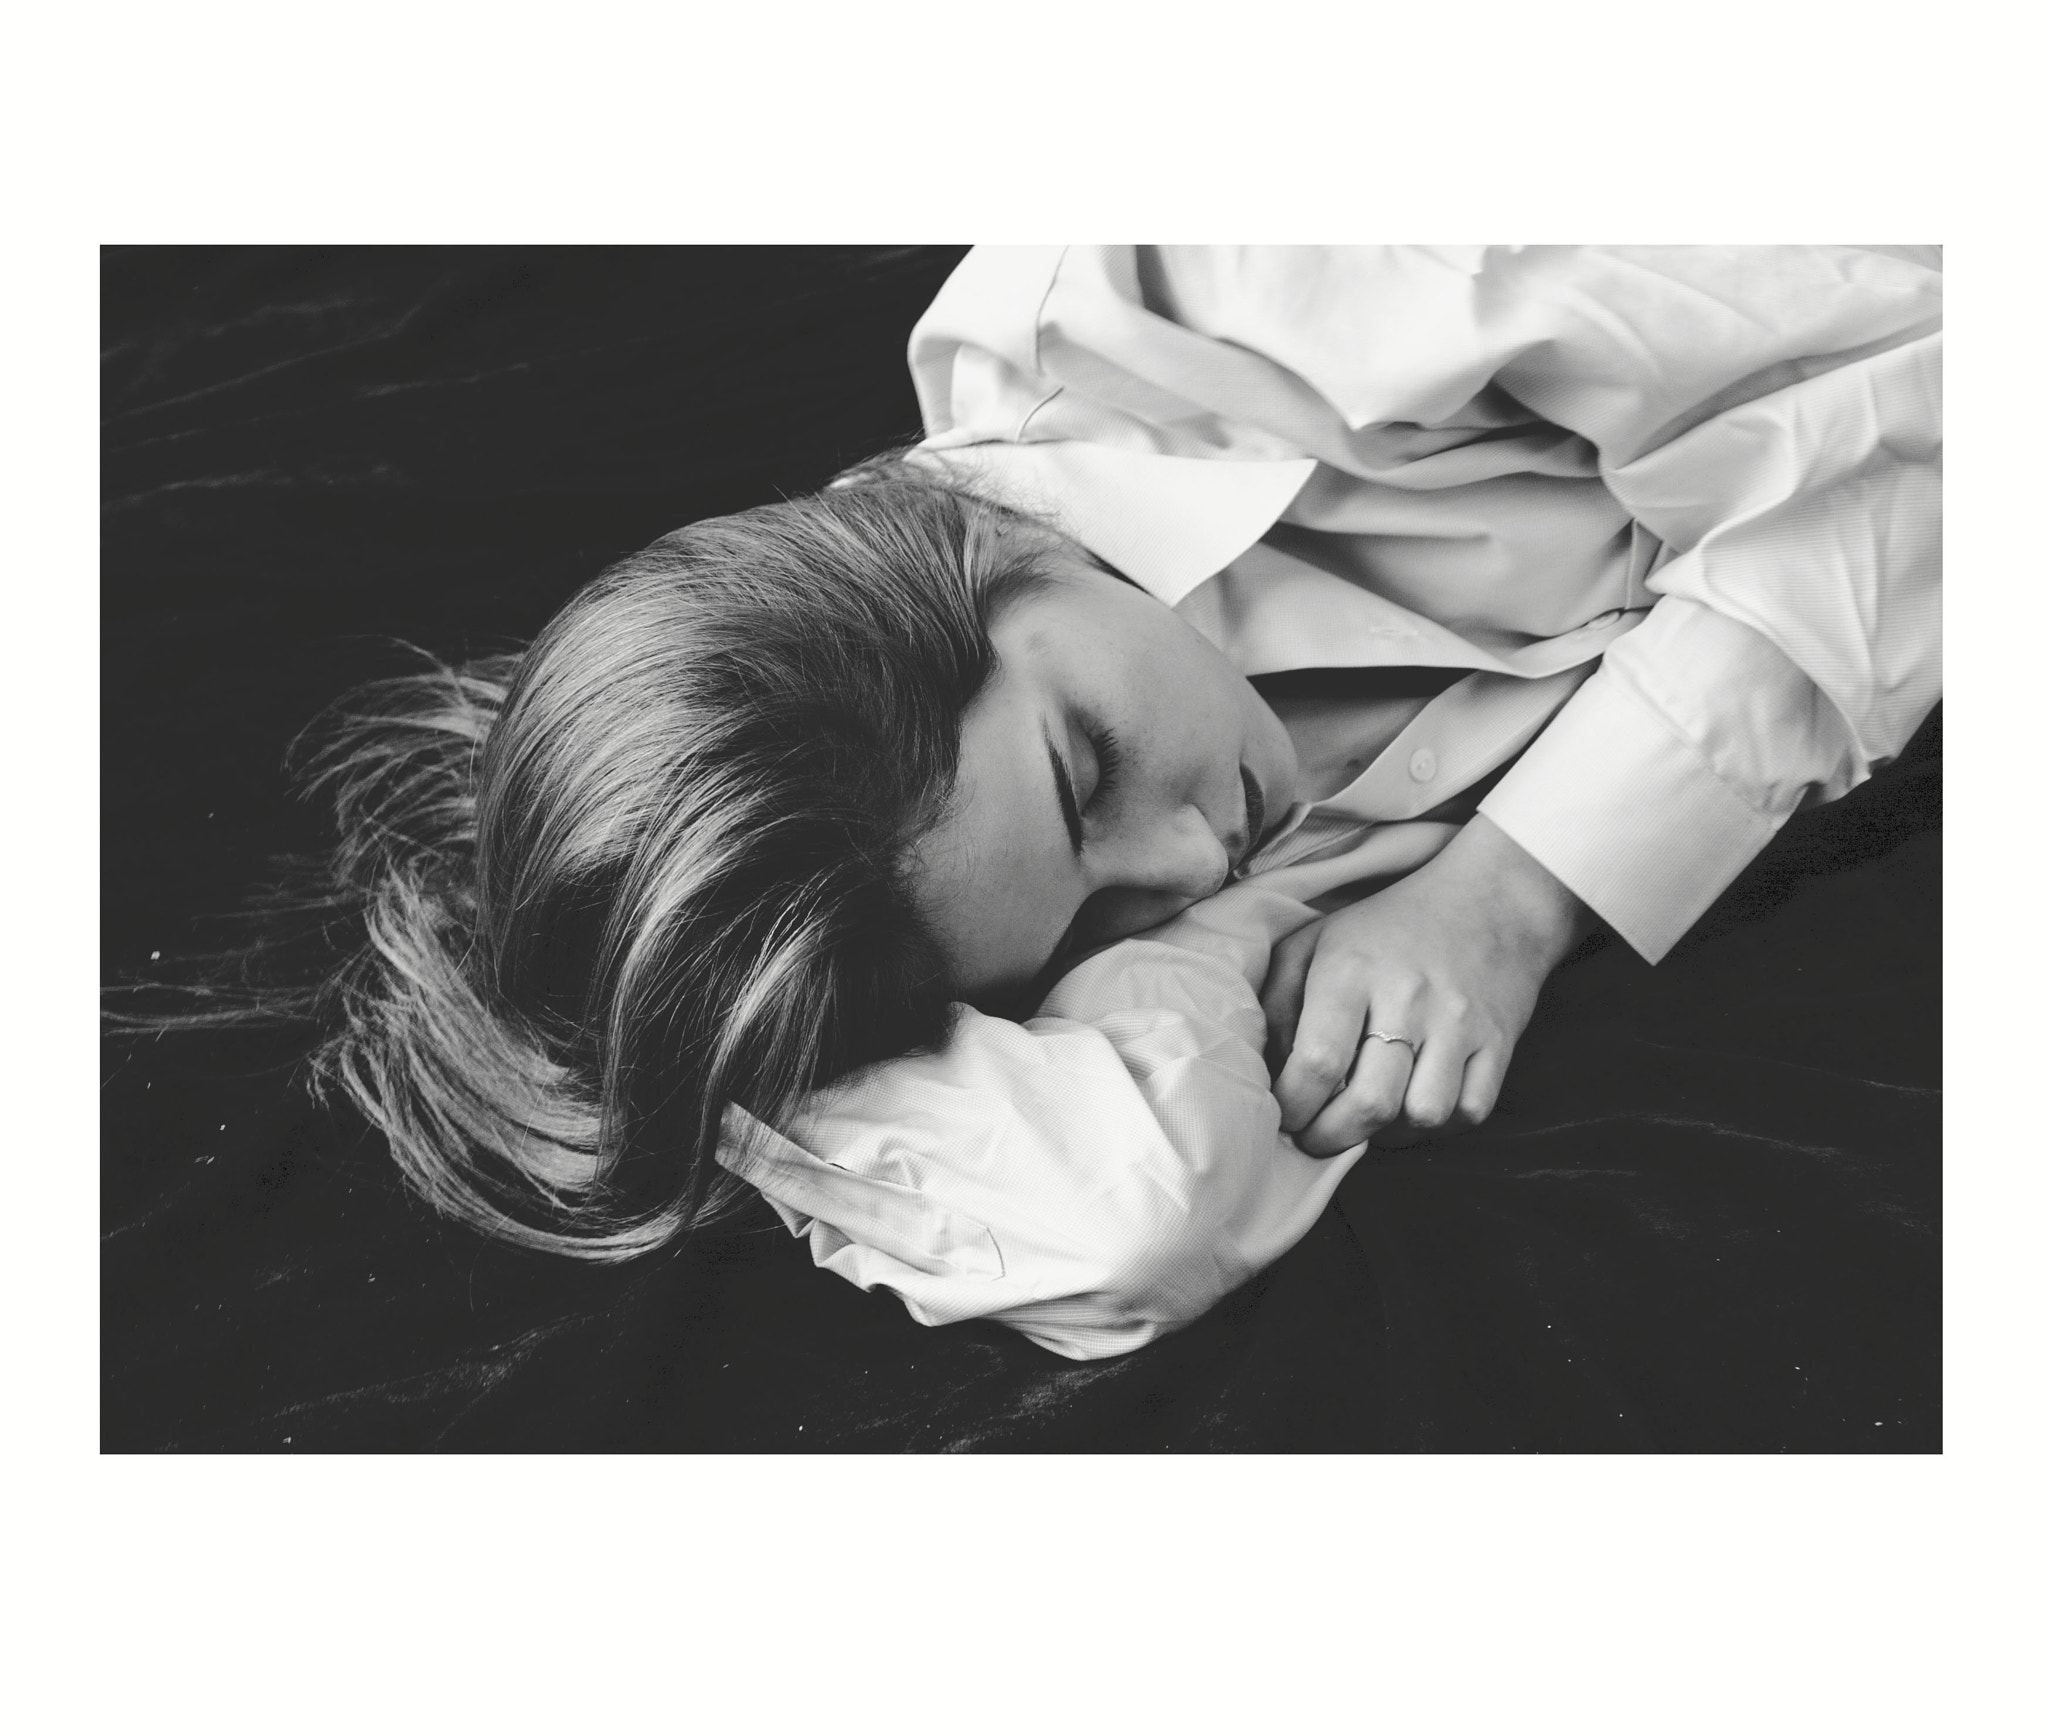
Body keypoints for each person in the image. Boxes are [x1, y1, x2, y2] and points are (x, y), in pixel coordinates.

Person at [162, 246, 1942, 1359]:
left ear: (959, 536)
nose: (1195, 857)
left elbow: (1950, 402)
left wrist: (1508, 897)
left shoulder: (1241, 269)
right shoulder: (970, 879)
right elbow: (1130, 1220)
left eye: (1085, 767)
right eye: (1090, 921)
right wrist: (735, 1085)